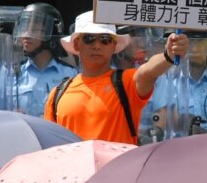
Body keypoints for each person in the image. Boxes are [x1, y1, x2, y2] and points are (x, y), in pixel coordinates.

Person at [44, 10, 189, 145]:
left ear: (114, 45)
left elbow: (147, 72)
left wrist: (168, 56)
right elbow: (49, 146)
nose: (97, 45)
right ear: (76, 44)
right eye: (89, 39)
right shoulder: (58, 94)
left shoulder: (126, 83)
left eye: (105, 39)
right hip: (72, 172)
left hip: (119, 172)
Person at [11, 3, 78, 117]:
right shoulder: (12, 74)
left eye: (35, 30)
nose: (26, 35)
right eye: (24, 29)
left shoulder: (70, 75)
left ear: (52, 34)